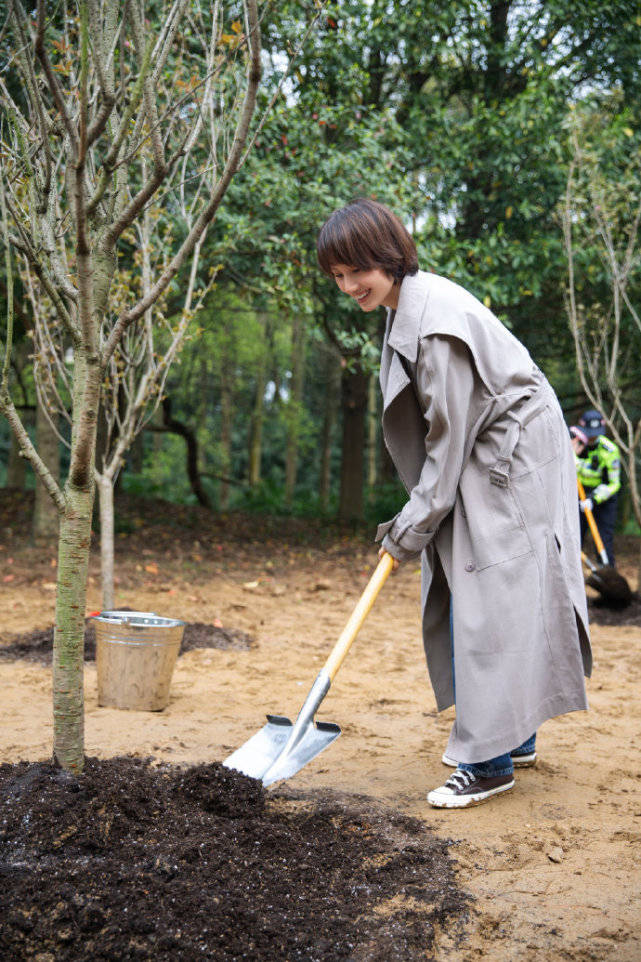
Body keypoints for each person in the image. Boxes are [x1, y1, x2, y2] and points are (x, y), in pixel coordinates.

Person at [317, 198, 591, 809]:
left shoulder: (436, 325)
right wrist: (420, 516)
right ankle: (514, 736)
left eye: (355, 269)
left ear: (386, 257)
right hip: (492, 443)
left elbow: (447, 448)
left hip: (512, 454)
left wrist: (409, 526)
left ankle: (489, 760)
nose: (348, 286)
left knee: (482, 592)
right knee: (492, 588)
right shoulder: (406, 305)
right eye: (337, 275)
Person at [571, 411, 621, 567]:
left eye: (596, 434)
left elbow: (613, 484)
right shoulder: (574, 444)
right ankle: (572, 573)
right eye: (589, 434)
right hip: (578, 493)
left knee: (603, 537)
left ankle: (607, 571)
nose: (592, 438)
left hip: (603, 497)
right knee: (574, 536)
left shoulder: (610, 450)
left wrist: (593, 499)